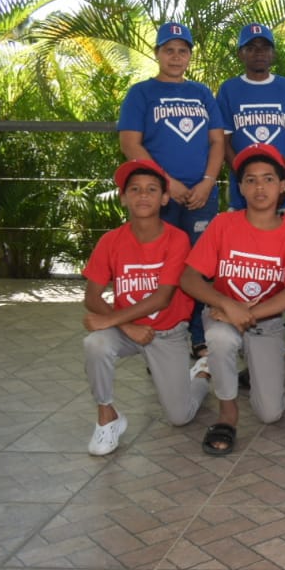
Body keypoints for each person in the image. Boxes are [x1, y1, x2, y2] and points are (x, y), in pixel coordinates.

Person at [180, 143, 285, 456]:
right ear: (240, 188)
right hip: (223, 317)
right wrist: (228, 306)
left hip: (266, 322)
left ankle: (242, 366)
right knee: (220, 339)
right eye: (250, 180)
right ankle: (227, 412)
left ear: (283, 185)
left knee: (270, 413)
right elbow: (189, 278)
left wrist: (249, 313)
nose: (259, 187)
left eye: (268, 179)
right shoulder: (224, 224)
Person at [81, 160, 204, 455]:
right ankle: (107, 416)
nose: (143, 195)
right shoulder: (110, 241)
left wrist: (113, 320)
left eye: (151, 189)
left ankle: (202, 374)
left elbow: (163, 298)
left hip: (167, 332)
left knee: (180, 416)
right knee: (95, 343)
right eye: (134, 189)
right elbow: (92, 296)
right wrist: (126, 327)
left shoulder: (177, 239)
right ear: (123, 197)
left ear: (165, 197)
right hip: (128, 330)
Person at [117, 21, 225, 358]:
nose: (176, 57)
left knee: (200, 267)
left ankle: (198, 336)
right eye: (169, 50)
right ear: (157, 53)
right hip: (158, 196)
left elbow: (217, 142)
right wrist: (166, 183)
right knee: (159, 266)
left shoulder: (202, 93)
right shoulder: (141, 93)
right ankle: (160, 334)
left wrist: (207, 182)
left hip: (201, 195)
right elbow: (130, 144)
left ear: (190, 56)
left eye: (182, 51)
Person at [216, 23, 285, 211]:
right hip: (243, 191)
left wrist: (284, 183)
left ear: (273, 54)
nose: (259, 53)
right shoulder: (228, 89)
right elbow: (224, 142)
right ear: (241, 54)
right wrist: (246, 179)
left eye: (265, 47)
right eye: (251, 48)